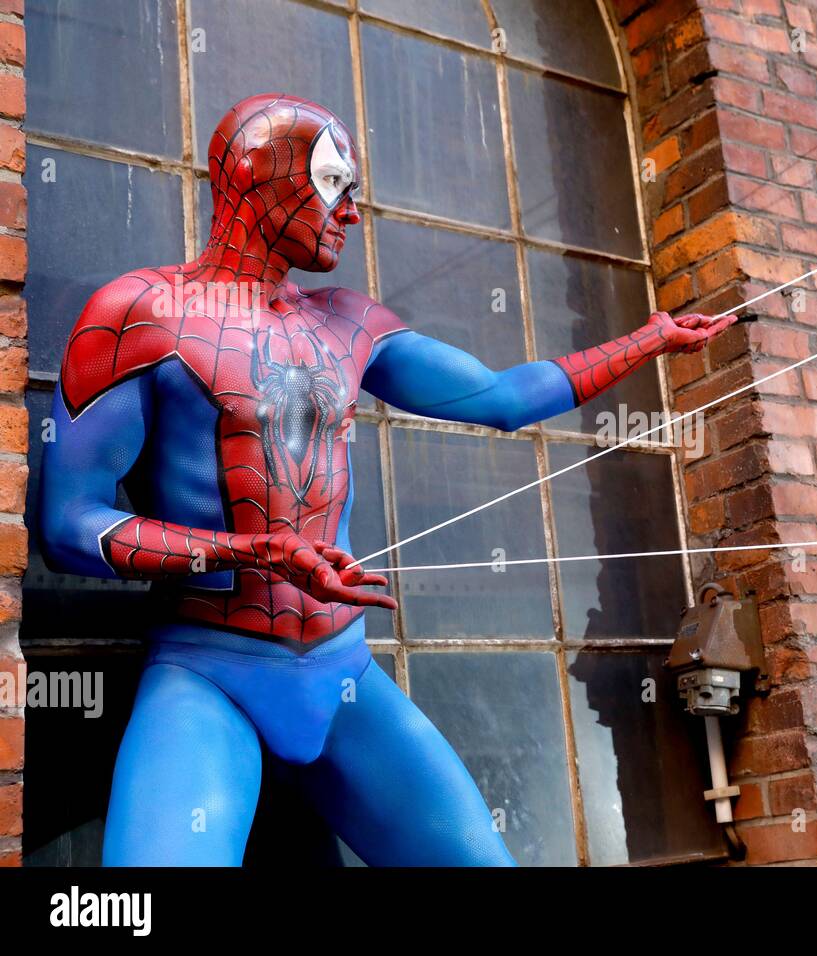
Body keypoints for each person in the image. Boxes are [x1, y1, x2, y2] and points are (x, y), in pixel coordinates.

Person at [38, 92, 734, 866]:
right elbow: (68, 526)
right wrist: (252, 553)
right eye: (335, 183)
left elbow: (500, 397)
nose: (351, 213)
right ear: (257, 175)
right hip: (208, 674)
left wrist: (649, 340)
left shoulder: (349, 321)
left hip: (341, 677)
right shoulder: (140, 316)